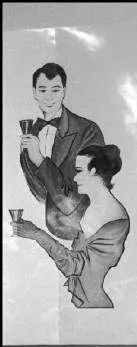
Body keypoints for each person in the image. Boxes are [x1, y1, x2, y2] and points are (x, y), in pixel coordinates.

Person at [12, 144, 130, 309]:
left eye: (79, 171)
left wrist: (36, 233)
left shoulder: (114, 221)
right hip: (84, 302)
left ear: (93, 171)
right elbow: (61, 194)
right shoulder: (91, 206)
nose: (75, 178)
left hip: (93, 304)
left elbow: (74, 265)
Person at [20, 62, 105, 240]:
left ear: (64, 91)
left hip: (82, 233)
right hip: (40, 229)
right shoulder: (31, 133)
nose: (49, 97)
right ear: (34, 93)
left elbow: (78, 201)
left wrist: (39, 160)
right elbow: (38, 192)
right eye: (43, 90)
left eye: (55, 90)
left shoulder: (88, 131)